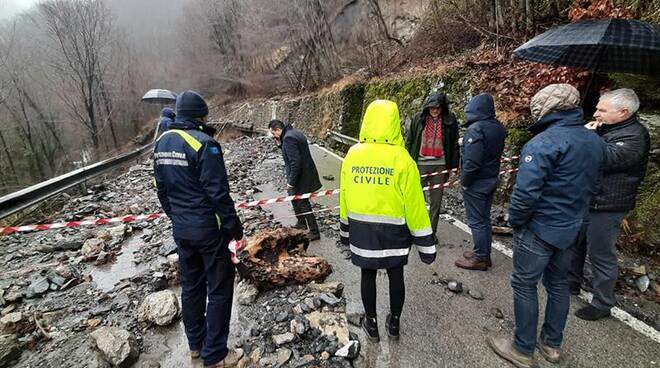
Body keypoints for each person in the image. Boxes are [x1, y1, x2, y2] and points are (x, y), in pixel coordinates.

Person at [487, 84, 604, 367]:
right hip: (573, 226)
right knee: (559, 285)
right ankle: (551, 344)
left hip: (540, 227)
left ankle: (522, 347)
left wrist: (516, 222)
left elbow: (525, 194)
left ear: (547, 109)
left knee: (524, 284)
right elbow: (596, 186)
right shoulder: (595, 141)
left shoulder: (543, 143)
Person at [154, 90, 244, 368]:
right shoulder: (205, 144)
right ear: (200, 115)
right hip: (209, 231)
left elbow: (162, 191)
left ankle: (196, 345)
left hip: (182, 230)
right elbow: (218, 193)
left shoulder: (162, 143)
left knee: (191, 287)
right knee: (219, 288)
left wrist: (177, 218)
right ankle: (216, 354)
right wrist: (234, 227)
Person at [340, 100, 437, 342]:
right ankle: (394, 324)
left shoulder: (353, 155)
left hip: (362, 231)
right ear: (395, 123)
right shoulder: (403, 159)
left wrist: (345, 232)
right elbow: (415, 205)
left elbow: (345, 196)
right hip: (395, 232)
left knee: (367, 274)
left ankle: (370, 324)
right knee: (396, 275)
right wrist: (426, 246)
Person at [569, 88, 650, 321]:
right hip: (589, 197)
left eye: (602, 110)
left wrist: (588, 137)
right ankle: (570, 282)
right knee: (576, 243)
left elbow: (607, 158)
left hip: (608, 204)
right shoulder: (607, 128)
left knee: (601, 253)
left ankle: (603, 302)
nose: (595, 114)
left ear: (623, 112)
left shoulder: (635, 136)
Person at [455, 93, 506, 271]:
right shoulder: (498, 127)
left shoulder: (476, 129)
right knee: (484, 219)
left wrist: (465, 182)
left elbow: (472, 162)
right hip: (491, 177)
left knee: (476, 221)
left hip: (477, 182)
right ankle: (484, 253)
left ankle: (480, 258)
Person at [405, 91, 460, 241]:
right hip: (420, 164)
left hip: (440, 165)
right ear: (427, 107)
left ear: (443, 107)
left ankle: (431, 234)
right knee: (415, 199)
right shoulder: (418, 118)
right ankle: (415, 230)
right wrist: (407, 164)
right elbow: (409, 141)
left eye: (438, 107)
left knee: (436, 202)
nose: (435, 110)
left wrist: (453, 168)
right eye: (432, 107)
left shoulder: (449, 120)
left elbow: (454, 144)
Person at [268, 119, 322, 241]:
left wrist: (291, 182)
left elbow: (295, 161)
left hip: (300, 176)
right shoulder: (294, 133)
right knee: (294, 198)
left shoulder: (288, 138)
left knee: (302, 202)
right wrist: (279, 143)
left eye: (274, 133)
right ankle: (301, 223)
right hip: (305, 173)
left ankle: (314, 231)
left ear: (277, 130)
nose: (274, 136)